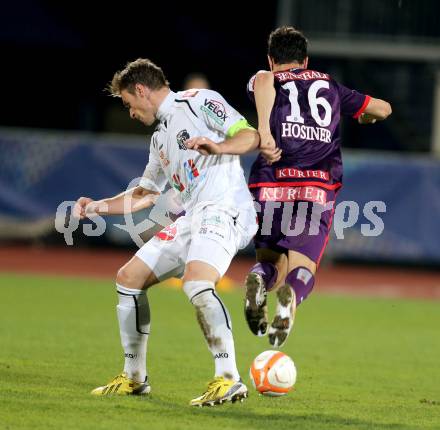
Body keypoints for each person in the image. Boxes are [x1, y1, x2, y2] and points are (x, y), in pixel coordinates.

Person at [73, 58, 259, 406]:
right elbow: (144, 194)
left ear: (141, 90)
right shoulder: (160, 137)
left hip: (224, 206)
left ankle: (229, 379)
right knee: (128, 278)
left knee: (196, 282)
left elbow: (250, 135)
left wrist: (219, 146)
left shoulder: (199, 101)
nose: (129, 112)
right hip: (193, 216)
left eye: (128, 103)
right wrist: (95, 206)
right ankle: (134, 378)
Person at [244, 26, 392, 347]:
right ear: (306, 60)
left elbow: (264, 80)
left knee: (270, 262)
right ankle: (290, 299)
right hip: (315, 187)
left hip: (271, 183)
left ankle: (258, 279)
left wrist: (264, 130)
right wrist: (366, 117)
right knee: (302, 267)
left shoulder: (266, 78)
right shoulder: (329, 84)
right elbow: (383, 108)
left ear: (272, 60)